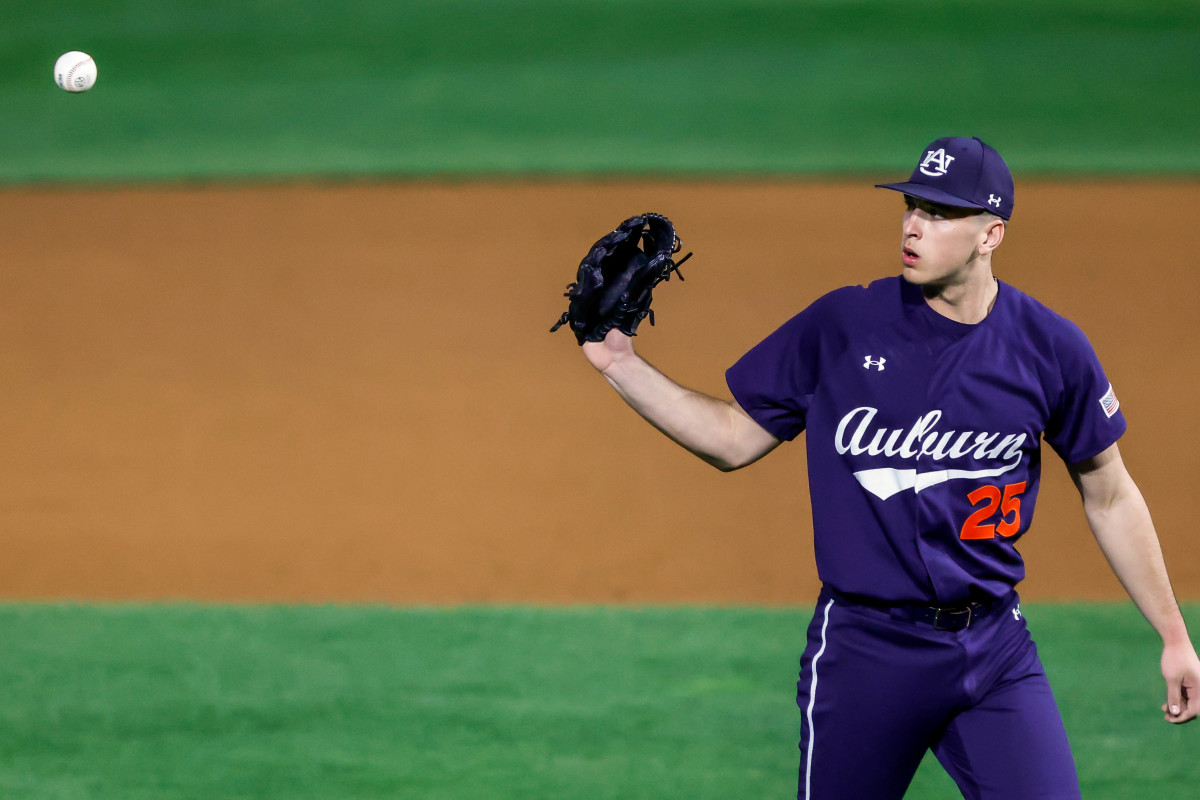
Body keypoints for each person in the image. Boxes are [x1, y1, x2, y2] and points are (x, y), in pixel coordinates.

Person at [579, 136, 1199, 798]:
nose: (912, 225)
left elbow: (1109, 496)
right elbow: (733, 438)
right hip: (865, 652)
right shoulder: (845, 324)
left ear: (991, 234)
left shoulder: (1051, 349)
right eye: (911, 205)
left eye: (938, 213)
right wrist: (619, 363)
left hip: (995, 650)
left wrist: (1173, 636)